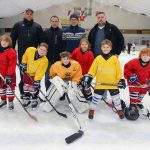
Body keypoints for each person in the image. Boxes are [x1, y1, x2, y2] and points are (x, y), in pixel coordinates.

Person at [81, 39, 126, 119]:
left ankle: (119, 110)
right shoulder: (98, 58)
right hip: (100, 83)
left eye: (107, 47)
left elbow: (118, 71)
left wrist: (120, 80)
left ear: (110, 48)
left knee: (116, 99)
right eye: (104, 47)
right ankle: (92, 110)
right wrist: (88, 79)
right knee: (96, 98)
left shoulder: (114, 59)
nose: (105, 48)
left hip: (113, 83)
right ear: (101, 48)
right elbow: (92, 70)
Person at [10, 8, 44, 98]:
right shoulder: (18, 25)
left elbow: (42, 42)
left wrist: (42, 53)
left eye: (31, 14)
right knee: (23, 74)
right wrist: (11, 51)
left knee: (34, 75)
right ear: (24, 14)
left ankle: (35, 93)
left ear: (32, 15)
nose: (29, 15)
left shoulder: (37, 26)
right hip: (22, 54)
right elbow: (12, 39)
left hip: (35, 56)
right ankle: (23, 92)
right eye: (27, 13)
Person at [19, 43, 48, 109]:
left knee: (32, 88)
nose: (42, 51)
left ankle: (34, 99)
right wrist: (23, 63)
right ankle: (27, 98)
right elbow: (25, 56)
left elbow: (40, 72)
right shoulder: (30, 50)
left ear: (46, 52)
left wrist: (37, 80)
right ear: (37, 48)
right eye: (41, 49)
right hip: (27, 73)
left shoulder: (45, 61)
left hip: (34, 76)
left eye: (44, 50)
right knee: (25, 87)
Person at [124, 48, 150, 114]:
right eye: (143, 55)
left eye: (147, 55)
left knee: (142, 92)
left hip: (145, 82)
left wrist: (148, 83)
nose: (145, 57)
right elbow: (127, 68)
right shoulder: (134, 62)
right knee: (134, 92)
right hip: (134, 81)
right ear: (140, 56)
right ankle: (133, 103)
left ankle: (138, 102)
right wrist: (130, 75)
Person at [44, 15, 63, 91]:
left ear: (58, 22)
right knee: (48, 78)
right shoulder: (46, 32)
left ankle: (60, 93)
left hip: (59, 60)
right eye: (53, 21)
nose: (54, 23)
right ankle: (48, 93)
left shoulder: (62, 32)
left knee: (60, 78)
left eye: (56, 21)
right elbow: (43, 44)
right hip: (48, 59)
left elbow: (64, 45)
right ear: (50, 22)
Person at [0, 35, 17, 110]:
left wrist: (9, 75)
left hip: (9, 74)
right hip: (0, 74)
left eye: (6, 41)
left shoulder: (11, 51)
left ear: (9, 43)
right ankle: (3, 100)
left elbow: (12, 65)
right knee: (1, 88)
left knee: (10, 88)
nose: (4, 42)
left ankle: (10, 101)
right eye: (2, 41)